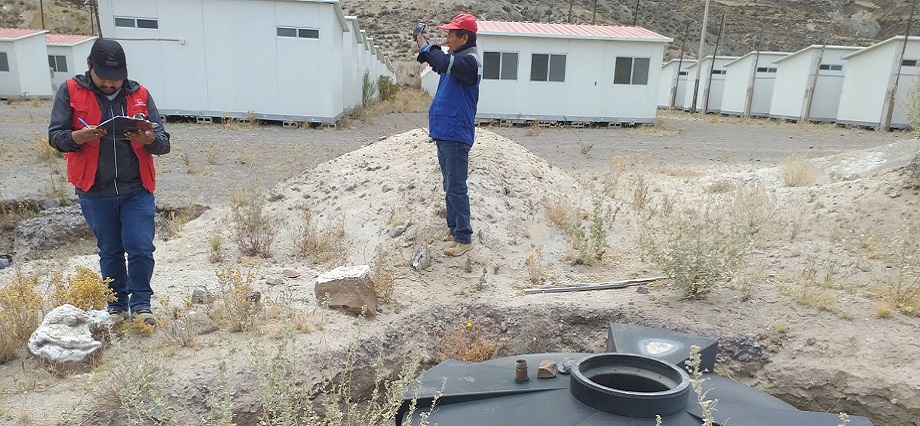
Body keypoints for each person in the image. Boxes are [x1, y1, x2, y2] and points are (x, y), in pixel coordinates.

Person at [48, 38, 170, 327]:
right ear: (90, 65)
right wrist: (78, 138)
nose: (111, 84)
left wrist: (150, 139)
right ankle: (117, 306)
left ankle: (141, 305)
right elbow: (56, 136)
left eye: (117, 79)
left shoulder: (140, 93)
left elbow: (164, 142)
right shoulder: (70, 91)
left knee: (140, 246)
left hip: (136, 188)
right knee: (111, 249)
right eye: (104, 78)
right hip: (95, 190)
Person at [415, 13, 482, 257]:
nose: (447, 38)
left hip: (455, 134)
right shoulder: (457, 58)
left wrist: (424, 44)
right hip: (445, 133)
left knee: (456, 187)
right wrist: (425, 49)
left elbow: (440, 62)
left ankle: (463, 238)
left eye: (451, 34)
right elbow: (437, 61)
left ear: (464, 38)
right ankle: (454, 229)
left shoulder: (469, 62)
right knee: (449, 185)